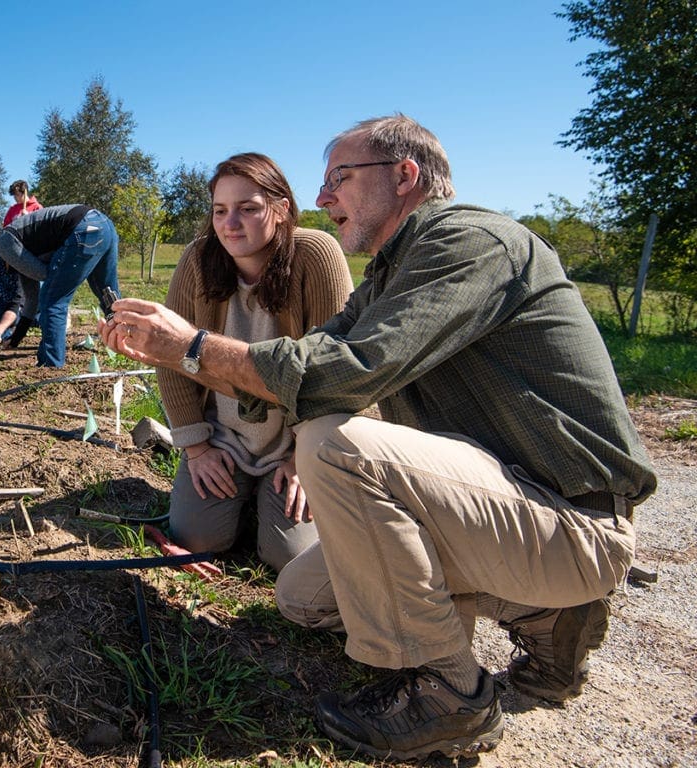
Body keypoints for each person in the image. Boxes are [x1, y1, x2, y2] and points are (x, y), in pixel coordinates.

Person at [100, 114, 657, 761]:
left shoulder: (469, 242)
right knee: (301, 597)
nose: (323, 197)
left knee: (337, 443)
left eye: (339, 176)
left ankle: (451, 694)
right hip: (507, 512)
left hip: (573, 524)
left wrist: (191, 347)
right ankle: (544, 614)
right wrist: (194, 372)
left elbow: (349, 373)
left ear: (405, 175)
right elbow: (317, 354)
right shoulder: (394, 273)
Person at [159, 153, 352, 574]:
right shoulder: (197, 259)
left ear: (281, 210)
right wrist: (196, 448)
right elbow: (172, 359)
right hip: (224, 436)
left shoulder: (315, 254)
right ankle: (240, 498)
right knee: (197, 540)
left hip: (294, 438)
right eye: (220, 211)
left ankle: (266, 499)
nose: (231, 224)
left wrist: (307, 455)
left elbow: (336, 369)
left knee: (290, 558)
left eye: (248, 209)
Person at [0, 205, 119, 367]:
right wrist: (15, 339)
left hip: (83, 228)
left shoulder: (4, 242)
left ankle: (50, 365)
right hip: (104, 225)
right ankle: (126, 342)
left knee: (53, 299)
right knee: (108, 293)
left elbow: (46, 277)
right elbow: (32, 300)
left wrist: (64, 276)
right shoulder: (23, 241)